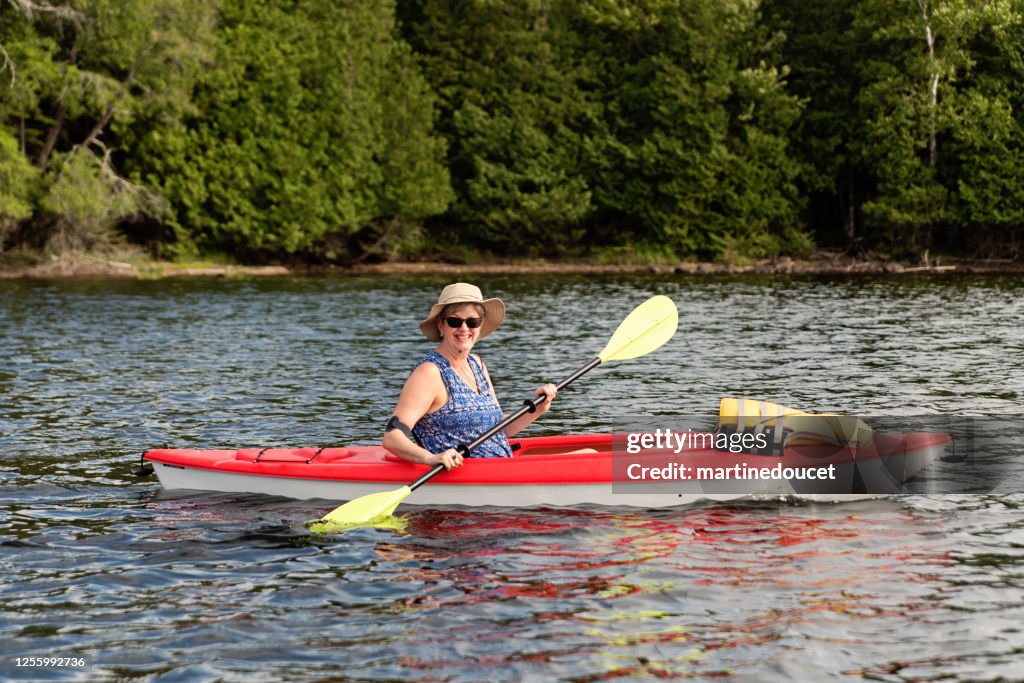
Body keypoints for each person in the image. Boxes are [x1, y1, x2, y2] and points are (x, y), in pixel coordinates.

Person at [382, 283, 557, 470]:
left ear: (480, 326)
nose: (464, 328)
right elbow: (392, 437)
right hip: (465, 475)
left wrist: (538, 408)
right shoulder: (429, 372)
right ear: (441, 325)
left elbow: (499, 429)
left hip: (502, 468)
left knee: (588, 453)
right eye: (455, 322)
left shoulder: (477, 364)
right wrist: (431, 458)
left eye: (472, 322)